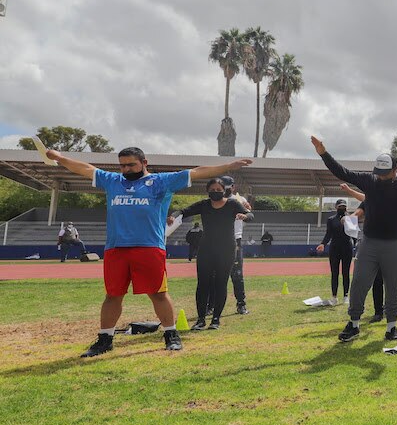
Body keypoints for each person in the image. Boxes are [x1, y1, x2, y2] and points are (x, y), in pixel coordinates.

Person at [46, 146, 251, 357]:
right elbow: (85, 169)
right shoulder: (113, 181)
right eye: (122, 165)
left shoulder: (161, 182)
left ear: (144, 163)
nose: (126, 169)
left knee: (158, 294)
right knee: (112, 295)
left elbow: (197, 172)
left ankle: (171, 335)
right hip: (116, 248)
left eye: (131, 164)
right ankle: (105, 339)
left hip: (149, 247)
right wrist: (59, 157)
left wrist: (227, 166)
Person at [312, 136, 397, 343]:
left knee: (393, 286)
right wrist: (323, 153)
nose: (382, 177)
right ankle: (353, 324)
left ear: (395, 170)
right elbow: (342, 172)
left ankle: (392, 327)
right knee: (359, 282)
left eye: (386, 173)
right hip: (369, 242)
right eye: (379, 173)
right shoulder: (370, 180)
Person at [177, 179, 254, 329]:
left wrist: (245, 216)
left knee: (221, 283)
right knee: (203, 284)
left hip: (226, 249)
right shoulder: (204, 205)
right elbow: (184, 211)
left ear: (224, 190)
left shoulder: (233, 204)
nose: (216, 191)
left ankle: (216, 320)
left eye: (219, 189)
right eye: (212, 189)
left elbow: (249, 215)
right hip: (206, 249)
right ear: (207, 190)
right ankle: (200, 319)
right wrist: (174, 216)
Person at [220, 177, 251, 315]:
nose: (224, 189)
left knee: (237, 275)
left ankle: (241, 304)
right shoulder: (214, 200)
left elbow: (249, 212)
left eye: (227, 187)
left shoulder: (240, 200)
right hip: (217, 240)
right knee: (214, 275)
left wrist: (247, 210)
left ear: (233, 187)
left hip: (235, 240)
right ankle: (211, 306)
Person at [317, 199, 355, 304]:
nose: (342, 208)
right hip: (334, 248)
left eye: (344, 207)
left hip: (347, 247)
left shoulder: (351, 218)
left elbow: (354, 234)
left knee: (346, 272)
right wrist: (323, 244)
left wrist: (356, 245)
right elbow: (328, 234)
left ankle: (346, 296)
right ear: (336, 207)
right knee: (334, 272)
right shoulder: (331, 219)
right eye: (340, 207)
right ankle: (334, 296)